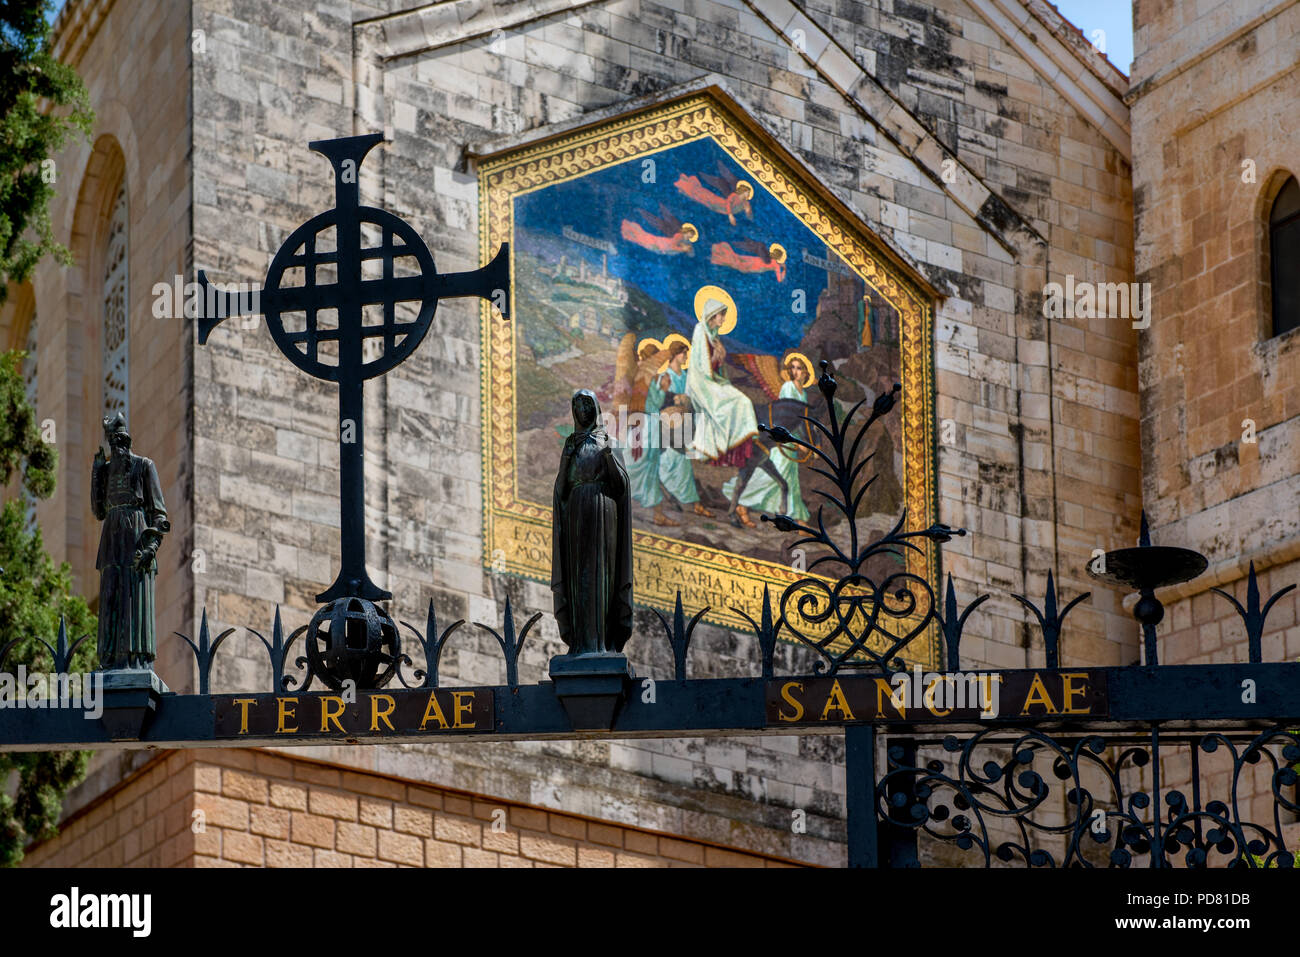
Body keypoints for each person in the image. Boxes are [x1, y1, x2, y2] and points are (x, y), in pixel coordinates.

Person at [91, 412, 170, 670]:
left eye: (120, 441)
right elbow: (98, 511)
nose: (117, 447)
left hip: (136, 537)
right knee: (111, 593)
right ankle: (111, 658)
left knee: (133, 598)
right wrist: (96, 474)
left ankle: (135, 659)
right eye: (112, 442)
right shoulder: (105, 472)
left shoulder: (144, 466)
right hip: (112, 538)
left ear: (127, 441)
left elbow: (159, 514)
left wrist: (151, 546)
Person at [721, 354, 812, 524]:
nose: (795, 371)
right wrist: (796, 443)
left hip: (795, 441)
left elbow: (801, 423)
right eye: (792, 368)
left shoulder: (803, 394)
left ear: (806, 372)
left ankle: (784, 512)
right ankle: (748, 505)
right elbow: (783, 419)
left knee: (786, 479)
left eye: (799, 368)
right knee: (770, 478)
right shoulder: (788, 388)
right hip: (783, 441)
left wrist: (803, 442)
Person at [685, 285, 757, 466]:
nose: (724, 319)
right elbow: (701, 365)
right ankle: (725, 450)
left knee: (743, 401)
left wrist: (719, 359)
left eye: (725, 315)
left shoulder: (714, 337)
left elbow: (716, 368)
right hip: (701, 383)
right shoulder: (700, 331)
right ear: (712, 315)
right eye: (721, 315)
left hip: (713, 381)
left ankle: (732, 451)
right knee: (738, 402)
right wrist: (715, 358)